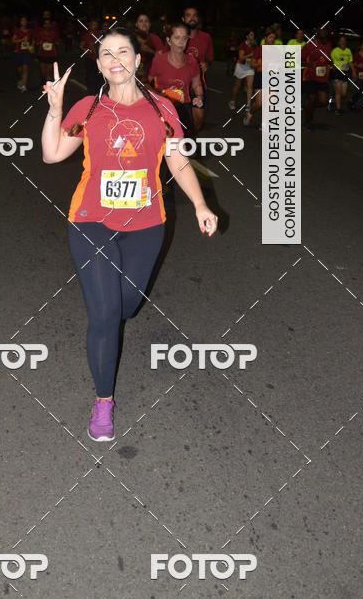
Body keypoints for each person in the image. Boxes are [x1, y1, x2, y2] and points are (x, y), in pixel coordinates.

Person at [41, 28, 217, 441]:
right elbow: (52, 154)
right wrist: (54, 109)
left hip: (146, 225)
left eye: (123, 51)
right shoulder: (87, 107)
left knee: (126, 308)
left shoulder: (162, 108)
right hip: (90, 221)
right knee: (103, 316)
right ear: (99, 64)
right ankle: (104, 402)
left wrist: (201, 204)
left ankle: (113, 319)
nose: (115, 58)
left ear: (138, 61)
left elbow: (177, 161)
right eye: (106, 53)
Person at [149, 22, 204, 136]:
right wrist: (158, 96)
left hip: (182, 108)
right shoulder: (158, 60)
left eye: (184, 38)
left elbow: (197, 84)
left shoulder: (192, 62)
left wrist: (199, 97)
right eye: (177, 38)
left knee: (187, 145)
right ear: (169, 40)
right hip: (161, 108)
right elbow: (147, 83)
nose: (181, 42)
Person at [182, 7, 214, 131]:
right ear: (183, 19)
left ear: (198, 19)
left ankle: (190, 140)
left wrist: (207, 63)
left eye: (195, 15)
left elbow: (211, 57)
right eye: (188, 15)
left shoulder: (206, 37)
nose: (192, 18)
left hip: (197, 84)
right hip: (179, 84)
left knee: (199, 117)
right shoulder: (177, 36)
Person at [246, 28, 277, 129]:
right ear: (265, 38)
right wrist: (261, 63)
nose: (272, 39)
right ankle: (249, 113)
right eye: (270, 37)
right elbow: (252, 64)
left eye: (273, 38)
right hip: (260, 76)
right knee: (259, 104)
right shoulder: (259, 50)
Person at [302, 28, 332, 130]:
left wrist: (330, 64)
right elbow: (298, 59)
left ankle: (308, 107)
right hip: (309, 76)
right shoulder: (310, 45)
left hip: (322, 78)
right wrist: (309, 64)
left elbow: (328, 60)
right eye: (322, 31)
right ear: (317, 33)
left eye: (325, 31)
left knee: (324, 102)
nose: (324, 33)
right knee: (312, 98)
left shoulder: (328, 45)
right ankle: (308, 122)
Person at [229, 30, 256, 118]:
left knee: (250, 86)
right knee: (237, 86)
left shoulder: (254, 46)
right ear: (247, 36)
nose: (253, 36)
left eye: (253, 35)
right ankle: (232, 100)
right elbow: (241, 58)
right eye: (251, 35)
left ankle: (248, 105)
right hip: (241, 67)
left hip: (249, 68)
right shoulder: (242, 45)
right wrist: (250, 55)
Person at [134, 13, 164, 84]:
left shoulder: (155, 38)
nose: (144, 23)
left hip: (151, 73)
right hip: (134, 73)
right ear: (136, 24)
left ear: (149, 24)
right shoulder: (132, 38)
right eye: (141, 21)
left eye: (146, 21)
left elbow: (161, 55)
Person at [330, 35, 352, 114]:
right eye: (341, 41)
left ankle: (332, 98)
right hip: (336, 73)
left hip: (345, 73)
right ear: (338, 42)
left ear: (346, 42)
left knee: (344, 94)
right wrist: (333, 67)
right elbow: (331, 61)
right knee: (338, 92)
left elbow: (350, 62)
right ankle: (338, 109)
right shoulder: (335, 51)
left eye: (344, 41)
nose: (342, 42)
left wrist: (354, 72)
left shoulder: (348, 51)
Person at [80, 20, 102, 95]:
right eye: (93, 24)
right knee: (89, 74)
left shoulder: (100, 34)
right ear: (90, 25)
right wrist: (86, 50)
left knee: (98, 75)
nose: (94, 26)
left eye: (96, 24)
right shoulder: (87, 34)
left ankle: (98, 90)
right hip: (89, 58)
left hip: (99, 58)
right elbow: (81, 45)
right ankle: (90, 90)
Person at [35, 17, 60, 85]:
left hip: (51, 55)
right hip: (42, 54)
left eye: (49, 24)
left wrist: (53, 42)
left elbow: (58, 42)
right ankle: (43, 83)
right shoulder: (40, 33)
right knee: (43, 72)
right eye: (45, 24)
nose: (47, 25)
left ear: (51, 25)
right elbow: (36, 42)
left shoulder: (54, 33)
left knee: (48, 72)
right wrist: (40, 43)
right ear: (43, 25)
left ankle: (47, 87)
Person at [12, 16, 33, 92]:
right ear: (20, 22)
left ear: (27, 22)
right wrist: (22, 40)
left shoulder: (30, 31)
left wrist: (32, 46)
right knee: (20, 70)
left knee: (25, 68)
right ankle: (21, 80)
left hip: (27, 53)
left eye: (25, 20)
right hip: (19, 52)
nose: (24, 22)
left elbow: (32, 40)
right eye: (22, 20)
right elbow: (13, 41)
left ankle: (24, 86)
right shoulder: (17, 31)